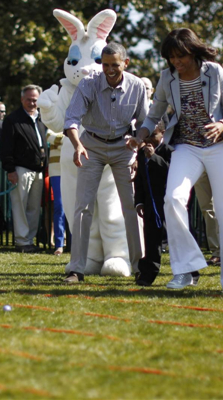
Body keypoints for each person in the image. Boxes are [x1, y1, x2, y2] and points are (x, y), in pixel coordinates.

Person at [136, 28, 223, 292]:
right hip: (187, 147)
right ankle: (185, 270)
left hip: (221, 147)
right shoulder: (166, 78)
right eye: (171, 57)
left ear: (193, 50)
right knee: (172, 199)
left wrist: (222, 124)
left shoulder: (214, 71)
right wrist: (140, 135)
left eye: (180, 55)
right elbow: (154, 115)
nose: (176, 62)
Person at [62, 43, 148, 283]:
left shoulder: (137, 86)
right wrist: (78, 144)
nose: (109, 70)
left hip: (124, 147)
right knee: (83, 208)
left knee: (131, 206)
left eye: (115, 65)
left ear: (125, 63)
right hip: (92, 145)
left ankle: (139, 266)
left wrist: (138, 143)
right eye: (105, 64)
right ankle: (76, 269)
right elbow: (71, 118)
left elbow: (145, 122)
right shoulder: (88, 84)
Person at [0, 85, 47, 253]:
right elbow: (6, 147)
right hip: (20, 169)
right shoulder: (12, 120)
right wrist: (10, 169)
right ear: (22, 99)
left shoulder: (43, 118)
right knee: (20, 206)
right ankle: (21, 241)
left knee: (34, 208)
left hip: (38, 170)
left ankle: (29, 241)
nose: (32, 103)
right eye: (29, 99)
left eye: (35, 100)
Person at [133, 125, 176, 286]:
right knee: (151, 242)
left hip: (168, 203)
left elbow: (171, 172)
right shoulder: (141, 153)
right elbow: (139, 179)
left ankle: (187, 272)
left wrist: (154, 158)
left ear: (162, 133)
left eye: (153, 135)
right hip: (151, 205)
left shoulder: (170, 150)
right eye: (146, 136)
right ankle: (147, 274)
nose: (148, 139)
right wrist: (139, 201)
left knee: (176, 239)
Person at [46, 129, 67, 255]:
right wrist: (69, 139)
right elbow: (50, 137)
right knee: (59, 206)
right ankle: (59, 244)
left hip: (73, 169)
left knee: (75, 207)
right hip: (56, 171)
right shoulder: (51, 125)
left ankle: (73, 244)